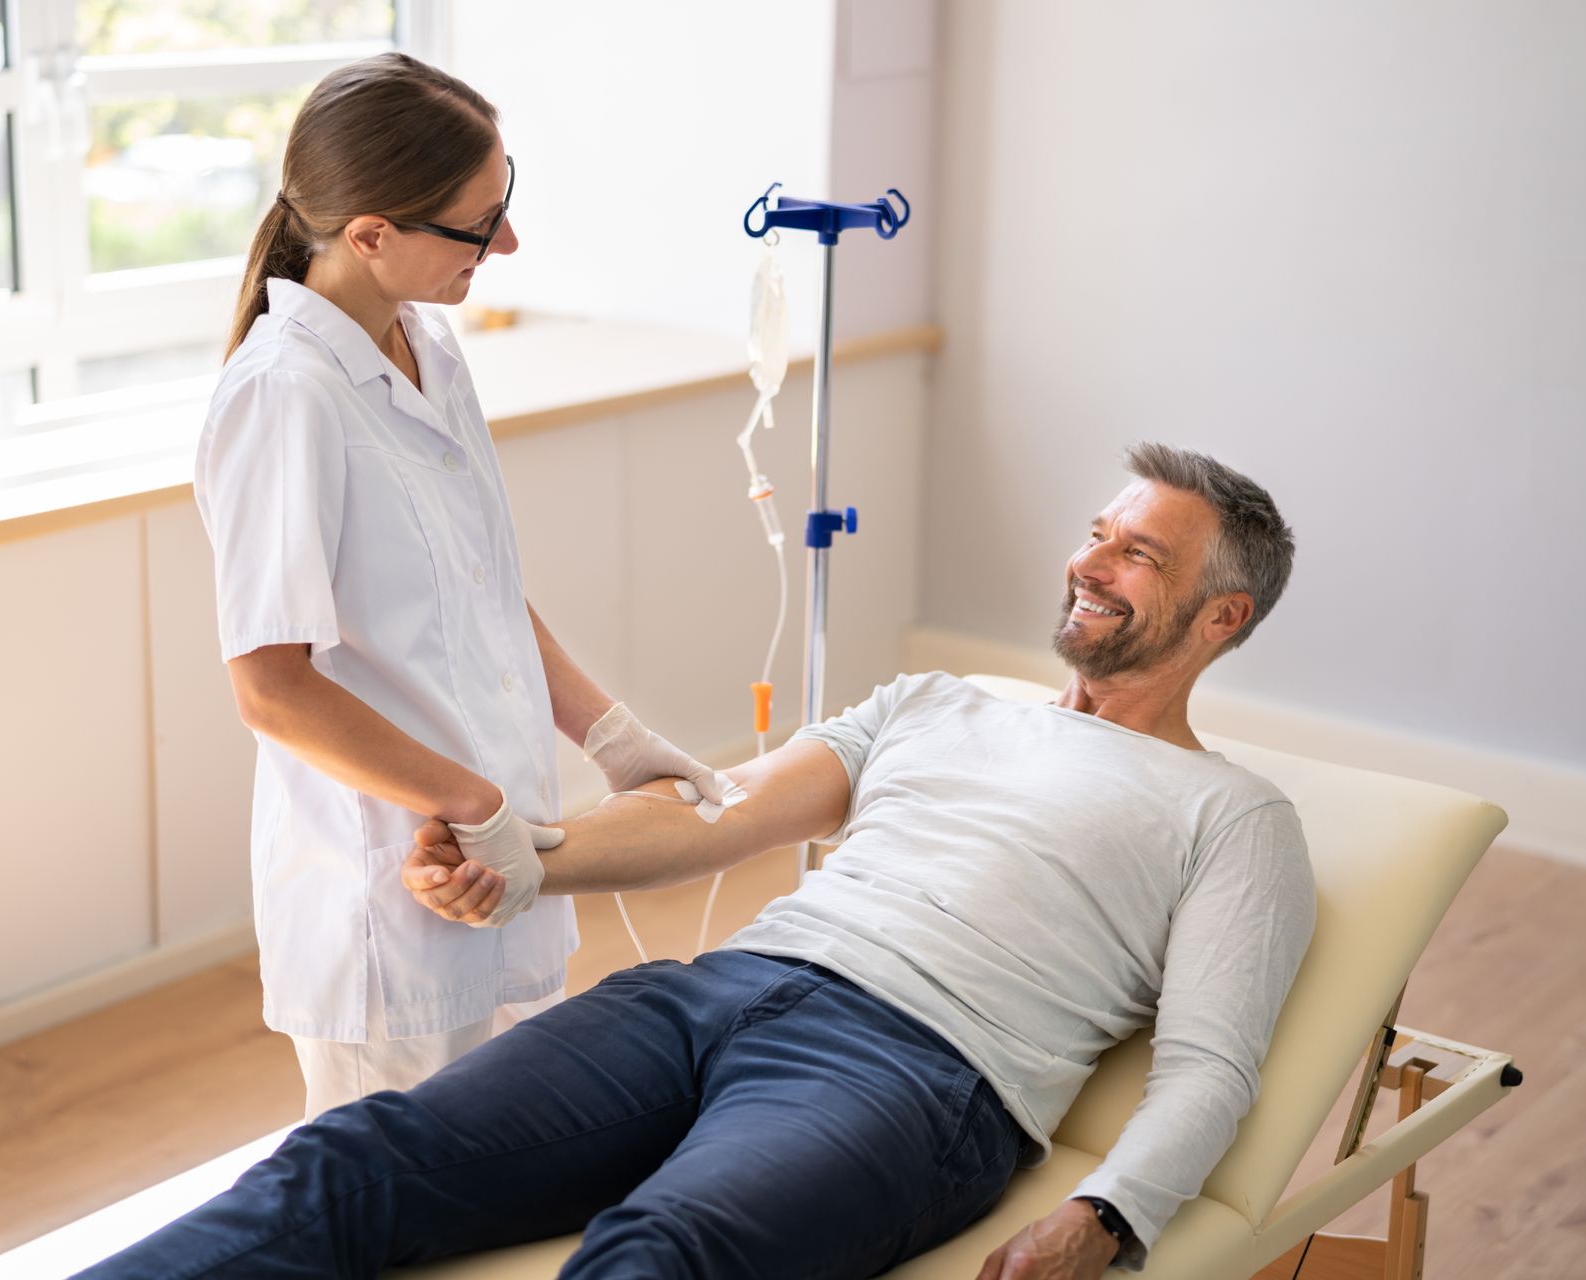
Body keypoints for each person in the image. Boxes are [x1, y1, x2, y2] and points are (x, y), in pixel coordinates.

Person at [81, 445, 1315, 1279]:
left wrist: (1109, 1215)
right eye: (1099, 535)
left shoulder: (1235, 815)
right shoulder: (937, 700)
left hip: (923, 1074)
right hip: (711, 992)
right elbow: (719, 817)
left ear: (1223, 616)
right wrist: (523, 856)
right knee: (350, 1158)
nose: (1089, 564)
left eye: (1138, 556)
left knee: (657, 1255)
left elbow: (1210, 1063)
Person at [201, 52, 724, 1121]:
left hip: (500, 859)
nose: (510, 244)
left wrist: (611, 733)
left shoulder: (432, 348)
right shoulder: (283, 395)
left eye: (505, 202)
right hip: (392, 888)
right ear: (371, 234)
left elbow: (484, 592)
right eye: (480, 225)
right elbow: (272, 687)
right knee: (401, 1204)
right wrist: (469, 803)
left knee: (513, 1170)